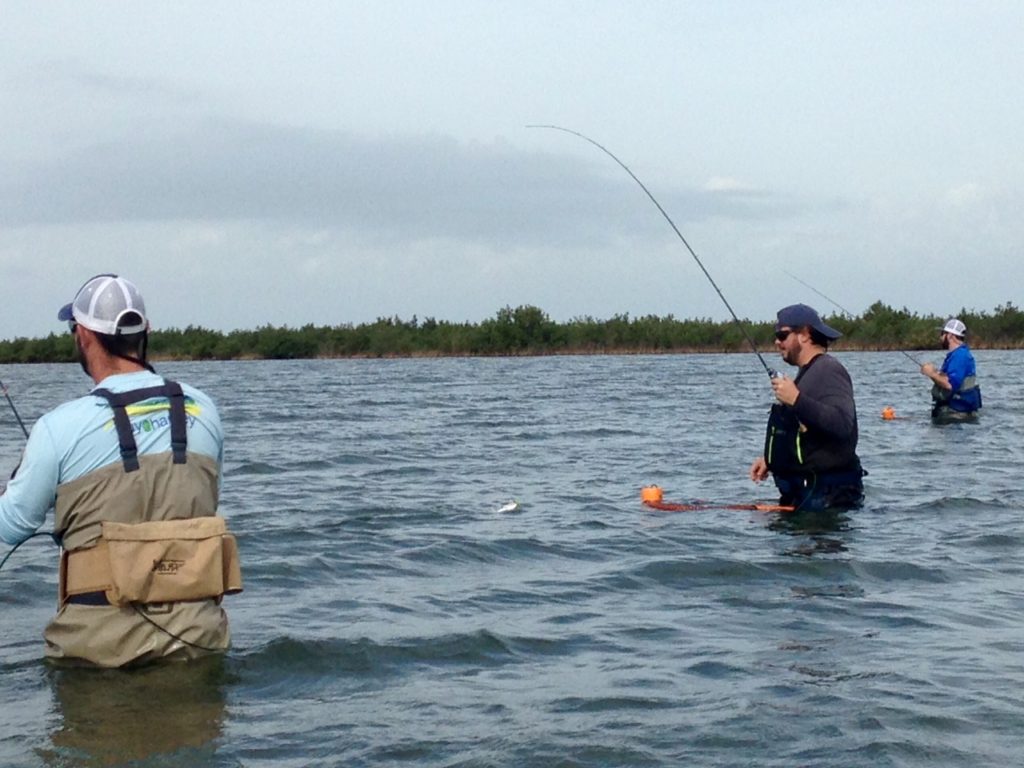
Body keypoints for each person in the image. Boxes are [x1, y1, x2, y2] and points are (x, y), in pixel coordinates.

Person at [0, 274, 241, 667]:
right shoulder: (204, 410)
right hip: (197, 644)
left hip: (97, 653)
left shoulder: (57, 427)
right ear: (144, 332)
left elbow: (11, 526)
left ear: (83, 335)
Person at [749, 303, 864, 511]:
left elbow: (841, 424)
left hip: (829, 498)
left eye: (782, 335)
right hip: (807, 496)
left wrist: (797, 399)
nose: (777, 342)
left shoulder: (829, 370)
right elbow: (808, 432)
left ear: (804, 334)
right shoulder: (808, 373)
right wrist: (772, 460)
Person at [920, 318, 981, 423]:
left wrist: (932, 374)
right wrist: (935, 373)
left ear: (950, 336)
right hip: (956, 414)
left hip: (956, 416)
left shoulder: (960, 356)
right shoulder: (957, 355)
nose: (940, 337)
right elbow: (949, 378)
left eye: (942, 333)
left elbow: (950, 385)